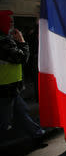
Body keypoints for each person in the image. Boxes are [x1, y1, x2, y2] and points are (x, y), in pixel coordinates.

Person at [0, 10, 46, 143]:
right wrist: (22, 41)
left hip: (11, 88)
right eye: (9, 21)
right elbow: (21, 57)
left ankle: (37, 133)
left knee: (21, 112)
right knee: (5, 122)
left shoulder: (6, 39)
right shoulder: (3, 41)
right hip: (5, 89)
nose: (11, 24)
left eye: (12, 21)